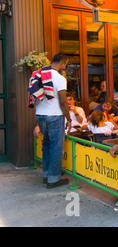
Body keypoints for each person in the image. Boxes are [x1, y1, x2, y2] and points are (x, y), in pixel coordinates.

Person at [30, 53, 71, 188]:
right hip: (54, 115)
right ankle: (53, 179)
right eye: (65, 64)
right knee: (56, 147)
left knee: (46, 145)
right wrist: (68, 118)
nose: (65, 66)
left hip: (40, 115)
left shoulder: (39, 74)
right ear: (62, 62)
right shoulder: (59, 78)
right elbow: (63, 102)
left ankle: (47, 175)